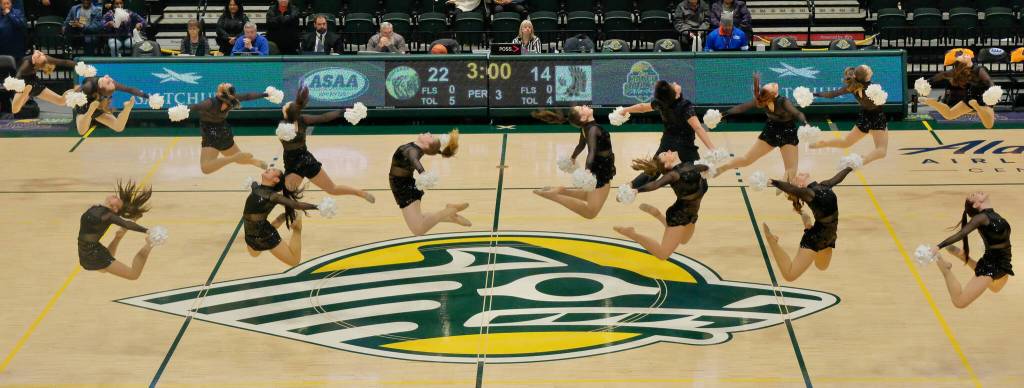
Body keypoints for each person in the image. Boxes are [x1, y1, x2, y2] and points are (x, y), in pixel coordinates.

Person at [278, 86, 375, 203]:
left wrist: (343, 111)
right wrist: (342, 111)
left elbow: (323, 117)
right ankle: (360, 193)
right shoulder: (302, 119)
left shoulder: (283, 126)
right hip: (304, 161)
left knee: (286, 194)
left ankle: (361, 193)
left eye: (284, 107)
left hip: (295, 164)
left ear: (287, 113)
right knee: (331, 189)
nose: (282, 107)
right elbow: (323, 117)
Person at [617, 80, 717, 188]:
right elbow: (697, 127)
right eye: (673, 85)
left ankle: (629, 186)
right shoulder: (685, 106)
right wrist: (712, 149)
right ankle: (688, 195)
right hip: (685, 146)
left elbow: (642, 107)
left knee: (654, 170)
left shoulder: (660, 102)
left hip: (667, 143)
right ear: (676, 95)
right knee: (700, 175)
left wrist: (625, 110)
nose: (674, 83)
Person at [713, 73, 809, 183]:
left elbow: (741, 108)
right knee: (791, 170)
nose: (773, 83)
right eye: (772, 85)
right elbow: (797, 113)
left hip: (773, 131)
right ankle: (722, 168)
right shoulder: (783, 101)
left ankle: (724, 168)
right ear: (773, 94)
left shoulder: (760, 100)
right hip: (785, 132)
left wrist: (723, 114)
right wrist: (806, 123)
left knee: (747, 160)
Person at [614, 152, 709, 260]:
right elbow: (655, 184)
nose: (668, 150)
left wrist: (708, 167)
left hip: (692, 214)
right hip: (679, 215)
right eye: (664, 154)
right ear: (667, 164)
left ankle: (657, 214)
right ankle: (631, 233)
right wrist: (637, 190)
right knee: (662, 254)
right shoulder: (673, 175)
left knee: (683, 240)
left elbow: (700, 167)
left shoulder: (689, 165)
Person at [762, 167, 853, 281]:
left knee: (821, 267)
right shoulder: (809, 193)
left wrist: (849, 167)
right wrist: (772, 181)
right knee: (789, 276)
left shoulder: (824, 185)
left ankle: (808, 224)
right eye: (796, 178)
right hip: (816, 239)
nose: (799, 173)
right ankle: (772, 241)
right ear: (800, 185)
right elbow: (790, 188)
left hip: (830, 237)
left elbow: (837, 179)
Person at [929, 192, 1013, 308]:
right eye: (973, 196)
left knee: (995, 288)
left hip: (1004, 262)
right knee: (959, 302)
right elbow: (962, 233)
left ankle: (963, 257)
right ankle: (945, 269)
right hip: (991, 266)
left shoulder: (993, 215)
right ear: (976, 205)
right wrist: (939, 246)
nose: (977, 192)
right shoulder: (981, 218)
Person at [532, 106, 615, 220]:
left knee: (590, 196)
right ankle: (554, 196)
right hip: (600, 171)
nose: (585, 106)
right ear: (583, 117)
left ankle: (562, 191)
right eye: (581, 108)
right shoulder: (593, 129)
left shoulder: (586, 128)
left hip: (601, 167)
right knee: (590, 212)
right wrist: (587, 171)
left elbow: (581, 145)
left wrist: (573, 158)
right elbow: (592, 152)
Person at [77, 180, 162, 280]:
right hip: (87, 250)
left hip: (93, 253)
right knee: (103, 269)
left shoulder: (107, 215)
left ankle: (149, 244)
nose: (115, 196)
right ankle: (118, 237)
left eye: (116, 198)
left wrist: (148, 231)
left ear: (115, 209)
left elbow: (126, 224)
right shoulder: (98, 208)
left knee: (133, 275)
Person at [389, 130, 469, 236]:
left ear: (427, 144)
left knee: (418, 230)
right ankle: (450, 216)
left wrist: (422, 173)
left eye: (430, 136)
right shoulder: (416, 148)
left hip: (405, 188)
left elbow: (414, 159)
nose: (428, 132)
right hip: (403, 185)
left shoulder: (414, 151)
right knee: (419, 221)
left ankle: (449, 210)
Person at [177, 83, 268, 174]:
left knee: (206, 168)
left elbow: (196, 106)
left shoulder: (211, 102)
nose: (224, 83)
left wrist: (180, 110)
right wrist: (265, 94)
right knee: (239, 159)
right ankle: (254, 161)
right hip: (225, 132)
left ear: (220, 92)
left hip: (211, 134)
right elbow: (248, 96)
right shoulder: (233, 98)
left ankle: (233, 158)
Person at [811, 65, 889, 166]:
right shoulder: (871, 88)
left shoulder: (852, 86)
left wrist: (815, 94)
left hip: (865, 117)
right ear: (867, 75)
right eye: (868, 68)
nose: (870, 68)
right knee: (881, 151)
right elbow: (881, 103)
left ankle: (824, 143)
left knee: (845, 142)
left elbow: (833, 94)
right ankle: (860, 162)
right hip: (877, 118)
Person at [243, 168, 321, 266]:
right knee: (254, 254)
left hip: (266, 235)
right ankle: (277, 222)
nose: (269, 169)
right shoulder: (256, 188)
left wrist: (318, 207)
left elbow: (296, 205)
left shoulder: (273, 196)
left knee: (294, 261)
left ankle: (297, 229)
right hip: (250, 234)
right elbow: (254, 185)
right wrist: (252, 182)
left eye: (273, 170)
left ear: (276, 180)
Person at [920, 49, 997, 129]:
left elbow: (989, 82)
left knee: (950, 115)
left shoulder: (978, 69)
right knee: (988, 125)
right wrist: (927, 81)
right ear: (961, 62)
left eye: (964, 54)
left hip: (978, 98)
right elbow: (943, 74)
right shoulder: (970, 70)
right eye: (963, 56)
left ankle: (929, 101)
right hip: (977, 99)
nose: (965, 55)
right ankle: (977, 107)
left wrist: (992, 93)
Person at [74, 75, 148, 134]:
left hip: (98, 108)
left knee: (119, 127)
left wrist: (149, 97)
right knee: (82, 131)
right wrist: (90, 110)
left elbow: (129, 89)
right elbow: (76, 91)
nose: (109, 78)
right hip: (84, 107)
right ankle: (90, 111)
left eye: (109, 82)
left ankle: (127, 108)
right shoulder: (89, 85)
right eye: (109, 81)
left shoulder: (107, 88)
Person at [11, 50, 76, 114]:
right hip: (24, 84)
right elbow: (19, 74)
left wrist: (79, 65)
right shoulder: (27, 63)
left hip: (32, 83)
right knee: (15, 110)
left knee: (61, 101)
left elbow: (64, 62)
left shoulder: (46, 59)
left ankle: (25, 94)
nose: (40, 69)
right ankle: (25, 94)